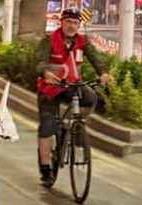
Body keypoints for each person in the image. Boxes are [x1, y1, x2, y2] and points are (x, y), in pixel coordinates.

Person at [34, 8, 111, 186]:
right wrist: (45, 72)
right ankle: (45, 168)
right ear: (61, 22)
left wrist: (104, 73)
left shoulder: (83, 41)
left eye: (75, 23)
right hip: (50, 88)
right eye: (68, 22)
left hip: (71, 84)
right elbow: (39, 61)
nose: (71, 26)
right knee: (47, 125)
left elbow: (96, 58)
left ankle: (75, 126)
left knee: (91, 98)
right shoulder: (49, 40)